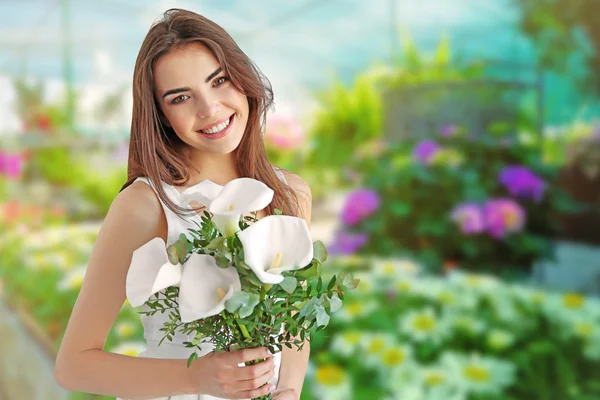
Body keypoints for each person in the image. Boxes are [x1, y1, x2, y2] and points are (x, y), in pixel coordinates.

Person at [54, 8, 312, 400]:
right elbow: (73, 365)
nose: (209, 109)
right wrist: (196, 379)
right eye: (180, 98)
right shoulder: (147, 205)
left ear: (243, 79)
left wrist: (289, 390)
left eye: (219, 80)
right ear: (161, 115)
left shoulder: (290, 195)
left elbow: (294, 327)